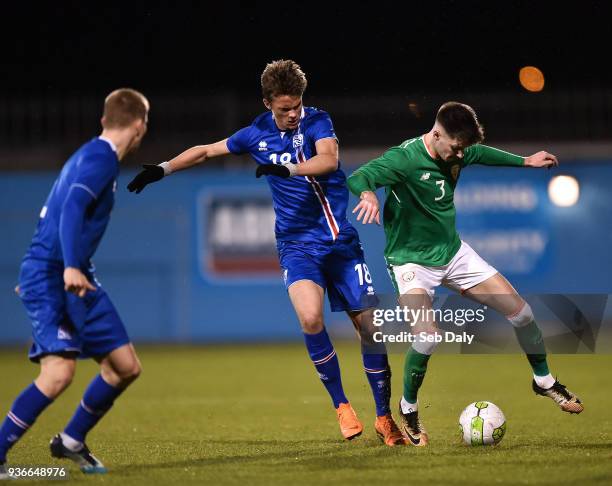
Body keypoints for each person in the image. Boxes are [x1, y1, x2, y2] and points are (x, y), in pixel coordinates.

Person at [127, 60, 404, 446]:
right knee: (310, 318)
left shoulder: (318, 121)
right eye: (283, 109)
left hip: (340, 244)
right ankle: (342, 405)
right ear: (266, 102)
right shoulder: (255, 134)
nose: (292, 115)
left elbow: (330, 160)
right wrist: (163, 168)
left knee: (371, 330)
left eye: (296, 106)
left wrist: (287, 170)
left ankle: (384, 417)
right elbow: (207, 151)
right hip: (296, 246)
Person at [346, 101, 583, 447]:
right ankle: (408, 407)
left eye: (463, 148)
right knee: (427, 336)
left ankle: (544, 381)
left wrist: (525, 161)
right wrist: (367, 192)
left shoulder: (457, 151)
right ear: (437, 133)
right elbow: (359, 175)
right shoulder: (405, 159)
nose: (460, 154)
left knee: (522, 313)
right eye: (456, 147)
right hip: (410, 262)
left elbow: (481, 154)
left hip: (454, 254)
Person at [0, 88, 149, 478]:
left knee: (125, 366)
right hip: (59, 274)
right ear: (140, 125)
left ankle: (71, 440)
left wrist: (66, 266)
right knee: (58, 374)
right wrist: (64, 267)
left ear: (104, 119)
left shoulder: (93, 155)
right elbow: (71, 209)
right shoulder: (100, 158)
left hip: (73, 273)